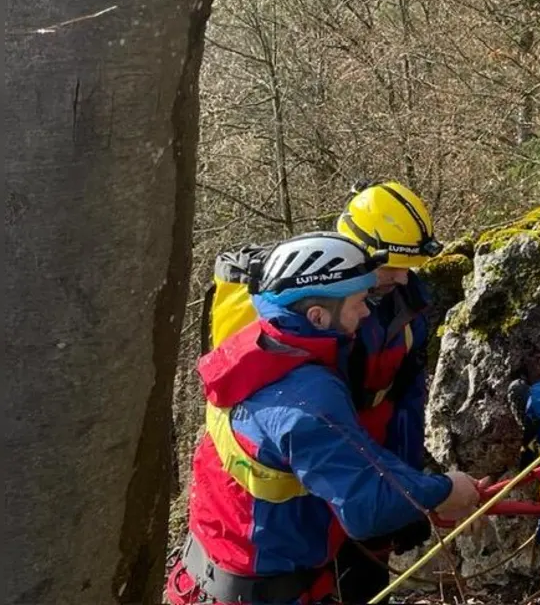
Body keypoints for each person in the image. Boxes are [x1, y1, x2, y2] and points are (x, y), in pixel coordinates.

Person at [167, 233, 480, 605]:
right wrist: (446, 490)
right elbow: (368, 506)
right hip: (262, 593)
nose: (367, 313)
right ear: (317, 316)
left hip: (205, 576)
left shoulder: (252, 351)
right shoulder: (307, 397)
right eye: (359, 303)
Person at [331, 181, 445, 603]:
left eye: (407, 266)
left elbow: (407, 401)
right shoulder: (322, 318)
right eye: (390, 267)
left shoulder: (408, 304)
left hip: (380, 455)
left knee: (366, 584)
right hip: (328, 476)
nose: (400, 277)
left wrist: (408, 484)